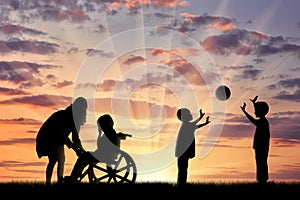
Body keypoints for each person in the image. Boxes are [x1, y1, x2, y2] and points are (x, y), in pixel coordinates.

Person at [36, 97, 88, 185]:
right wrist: (75, 149)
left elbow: (75, 138)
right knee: (56, 159)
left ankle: (58, 180)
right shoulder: (64, 116)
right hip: (49, 137)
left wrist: (81, 149)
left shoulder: (75, 119)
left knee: (59, 159)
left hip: (59, 139)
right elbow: (62, 135)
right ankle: (51, 182)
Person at [66, 114, 131, 182]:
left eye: (101, 125)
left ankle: (74, 177)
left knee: (83, 158)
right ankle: (81, 176)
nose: (100, 127)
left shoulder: (109, 135)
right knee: (86, 156)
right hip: (109, 155)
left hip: (104, 155)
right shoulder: (112, 134)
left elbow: (101, 147)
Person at [175, 108, 210, 185]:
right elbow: (194, 125)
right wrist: (201, 119)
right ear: (184, 116)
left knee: (183, 170)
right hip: (183, 153)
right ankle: (181, 184)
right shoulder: (186, 125)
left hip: (182, 153)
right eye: (189, 113)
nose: (191, 114)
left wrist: (203, 121)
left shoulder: (186, 125)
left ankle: (181, 184)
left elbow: (194, 125)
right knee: (183, 170)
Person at [240, 96, 270, 183]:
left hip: (261, 147)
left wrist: (245, 111)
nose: (254, 111)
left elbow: (252, 120)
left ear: (261, 111)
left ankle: (262, 180)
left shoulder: (263, 122)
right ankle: (261, 179)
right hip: (260, 147)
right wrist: (254, 104)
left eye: (256, 110)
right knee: (261, 163)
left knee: (261, 163)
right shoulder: (263, 121)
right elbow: (253, 119)